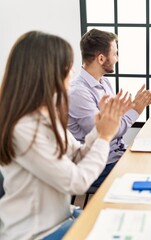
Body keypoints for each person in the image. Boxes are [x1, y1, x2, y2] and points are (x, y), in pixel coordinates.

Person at [0, 31, 133, 239]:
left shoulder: (45, 117)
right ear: (46, 73)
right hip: (36, 233)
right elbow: (77, 182)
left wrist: (99, 129)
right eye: (66, 66)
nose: (72, 72)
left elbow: (77, 155)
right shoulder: (23, 129)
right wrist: (105, 137)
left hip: (62, 219)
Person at [68, 28, 151, 188]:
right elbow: (106, 132)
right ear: (101, 58)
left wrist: (132, 105)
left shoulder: (104, 82)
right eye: (115, 53)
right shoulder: (77, 93)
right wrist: (135, 110)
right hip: (99, 164)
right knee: (149, 173)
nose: (117, 59)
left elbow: (114, 120)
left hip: (116, 154)